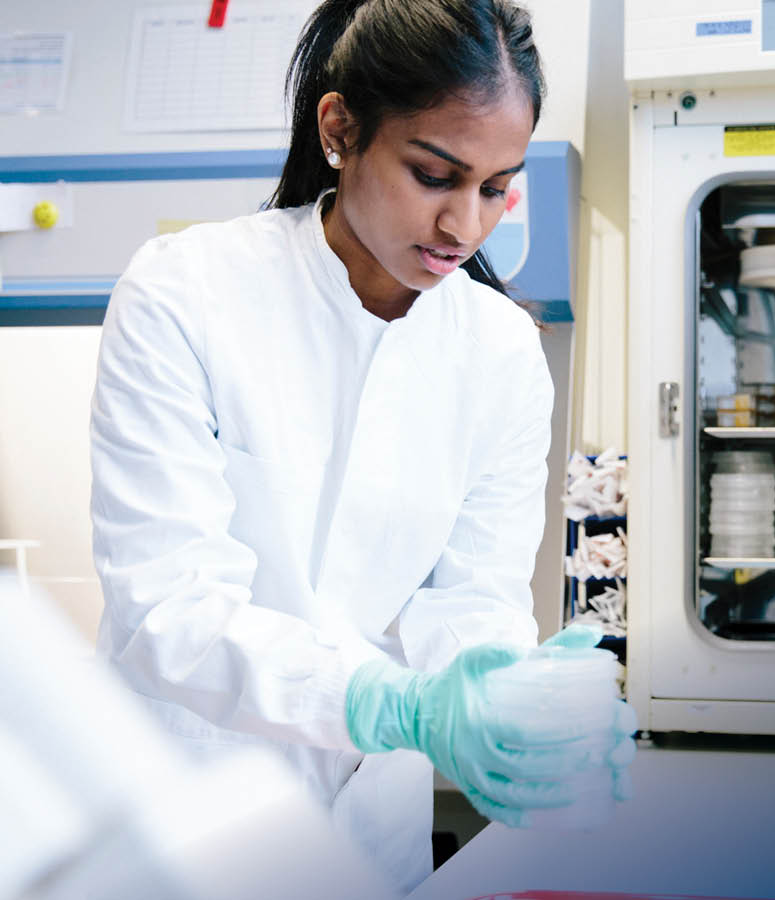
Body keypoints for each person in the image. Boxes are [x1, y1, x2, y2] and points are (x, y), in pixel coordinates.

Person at [89, 0, 634, 894]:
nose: (466, 225)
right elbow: (167, 611)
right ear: (341, 129)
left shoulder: (498, 350)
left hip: (368, 830)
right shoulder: (188, 294)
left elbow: (473, 601)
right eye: (434, 175)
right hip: (189, 811)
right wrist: (397, 705)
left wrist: (520, 704)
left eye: (496, 187)